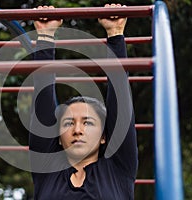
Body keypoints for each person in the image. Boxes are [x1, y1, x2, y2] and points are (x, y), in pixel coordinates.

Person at [29, 4, 138, 200]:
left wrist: (115, 33)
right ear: (58, 138)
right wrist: (45, 36)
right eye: (68, 123)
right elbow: (43, 96)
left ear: (104, 136)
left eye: (87, 122)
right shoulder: (47, 170)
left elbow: (120, 93)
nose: (77, 130)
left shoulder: (118, 169)